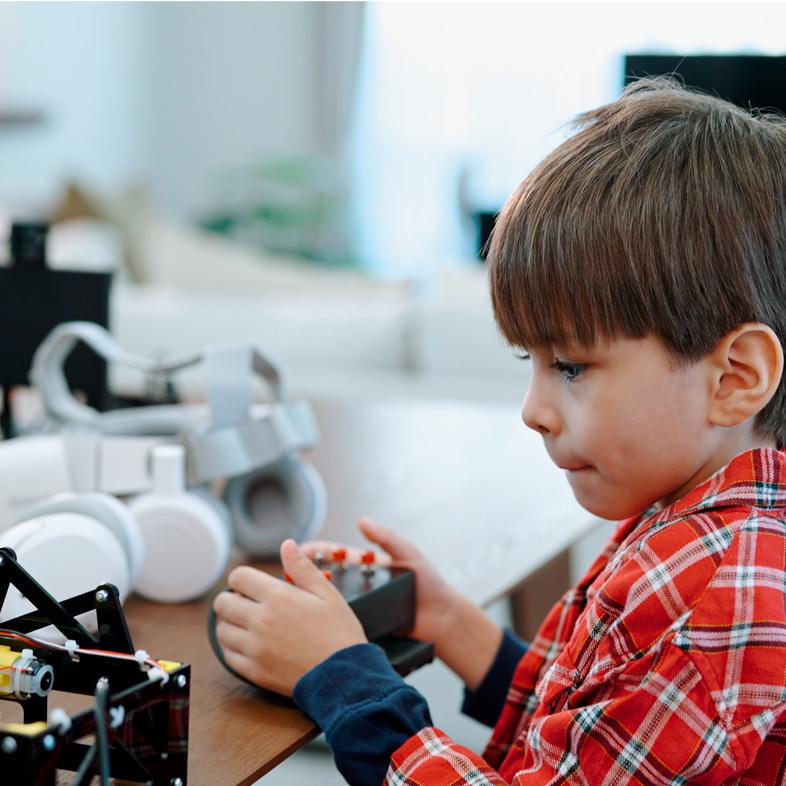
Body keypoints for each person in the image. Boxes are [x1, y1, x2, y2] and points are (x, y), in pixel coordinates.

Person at [212, 78, 786, 785]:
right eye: (531, 363)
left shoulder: (714, 593)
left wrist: (344, 680)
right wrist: (450, 620)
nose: (532, 409)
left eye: (570, 366)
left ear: (735, 378)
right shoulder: (700, 526)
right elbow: (593, 725)